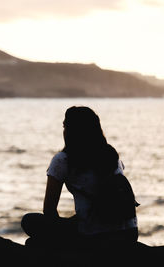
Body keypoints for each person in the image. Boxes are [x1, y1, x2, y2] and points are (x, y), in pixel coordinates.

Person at [21, 106, 138, 249]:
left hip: (95, 238)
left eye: (65, 126)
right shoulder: (111, 157)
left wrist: (55, 237)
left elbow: (49, 210)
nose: (63, 131)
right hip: (129, 234)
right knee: (74, 221)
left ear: (71, 131)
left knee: (29, 221)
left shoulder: (63, 160)